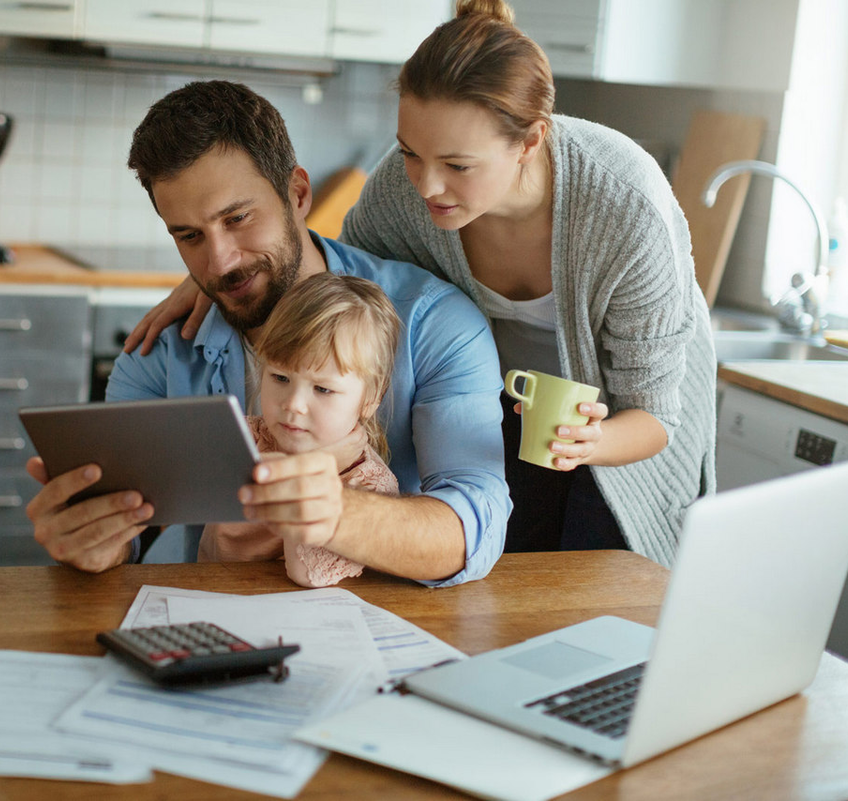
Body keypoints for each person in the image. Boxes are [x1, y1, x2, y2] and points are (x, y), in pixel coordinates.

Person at [123, 2, 717, 567]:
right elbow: (340, 277)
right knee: (512, 578)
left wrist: (588, 444)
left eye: (457, 166)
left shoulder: (624, 203)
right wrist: (221, 280)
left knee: (607, 586)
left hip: (625, 420)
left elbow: (656, 414)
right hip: (512, 407)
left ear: (531, 142)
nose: (427, 186)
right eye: (410, 153)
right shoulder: (399, 194)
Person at [25, 80, 510, 587]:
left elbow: (476, 526)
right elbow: (127, 529)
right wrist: (95, 541)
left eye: (238, 218)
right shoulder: (161, 349)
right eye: (188, 236)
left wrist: (336, 514)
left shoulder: (433, 324)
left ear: (297, 194)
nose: (219, 262)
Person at [199, 272, 402, 588]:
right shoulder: (248, 439)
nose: (293, 404)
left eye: (322, 389)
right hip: (213, 596)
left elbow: (307, 575)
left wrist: (307, 470)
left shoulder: (369, 486)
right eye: (280, 378)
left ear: (370, 399)